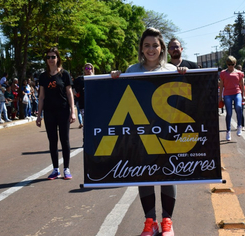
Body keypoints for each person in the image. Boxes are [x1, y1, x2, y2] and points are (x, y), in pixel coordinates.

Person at [111, 27, 188, 236]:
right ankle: (150, 222)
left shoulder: (171, 70)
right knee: (143, 176)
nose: (151, 49)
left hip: (167, 133)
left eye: (155, 45)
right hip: (141, 134)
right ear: (141, 49)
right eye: (147, 45)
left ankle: (167, 222)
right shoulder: (131, 70)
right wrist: (115, 79)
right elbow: (119, 97)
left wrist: (183, 76)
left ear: (161, 47)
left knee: (168, 175)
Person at [36, 47, 76, 180]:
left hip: (63, 110)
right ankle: (55, 169)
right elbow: (41, 97)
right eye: (48, 57)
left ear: (58, 58)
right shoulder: (43, 76)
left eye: (53, 57)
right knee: (52, 141)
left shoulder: (64, 74)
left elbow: (69, 93)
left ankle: (66, 168)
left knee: (64, 140)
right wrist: (39, 115)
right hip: (49, 112)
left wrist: (73, 111)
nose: (51, 59)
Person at [219, 56, 245, 141]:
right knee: (229, 112)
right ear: (227, 64)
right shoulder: (223, 73)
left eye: (232, 64)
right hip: (227, 94)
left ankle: (239, 126)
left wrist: (243, 95)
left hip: (237, 92)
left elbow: (242, 85)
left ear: (235, 64)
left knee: (238, 107)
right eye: (229, 64)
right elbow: (221, 86)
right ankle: (228, 131)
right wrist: (220, 97)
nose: (231, 66)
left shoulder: (239, 73)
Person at [74, 63, 93, 129]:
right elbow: (71, 87)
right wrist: (75, 93)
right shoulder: (80, 79)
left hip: (94, 105)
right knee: (86, 122)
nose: (88, 70)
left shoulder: (96, 78)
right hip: (83, 104)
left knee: (94, 122)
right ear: (84, 70)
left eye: (90, 68)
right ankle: (86, 137)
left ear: (92, 69)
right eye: (86, 68)